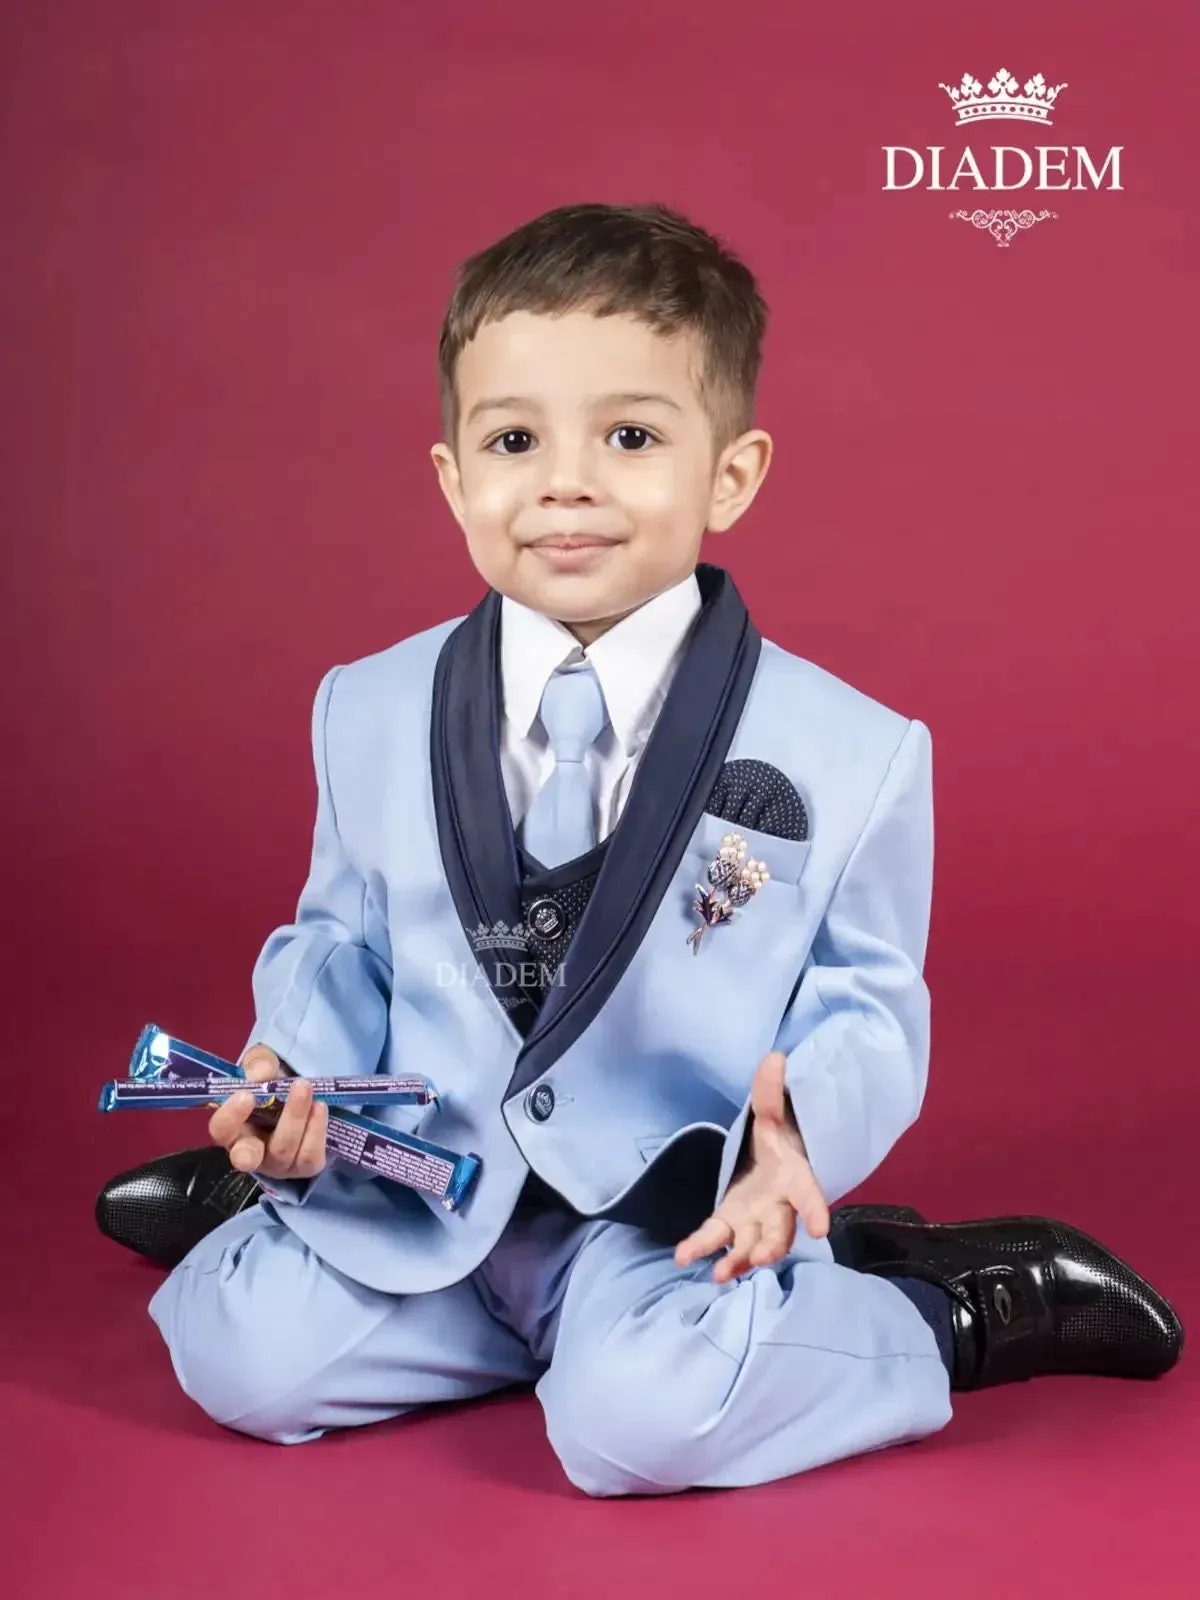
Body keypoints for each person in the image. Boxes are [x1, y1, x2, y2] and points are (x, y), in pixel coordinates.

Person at [119, 202, 1180, 1495]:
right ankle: (295, 1212)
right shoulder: (368, 704)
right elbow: (340, 935)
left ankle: (938, 1311)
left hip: (657, 1211)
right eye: (514, 440)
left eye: (629, 436)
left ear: (730, 474)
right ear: (455, 476)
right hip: (434, 1186)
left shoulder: (852, 748)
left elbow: (870, 1003)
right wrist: (303, 1065)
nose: (565, 481)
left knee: (633, 1427)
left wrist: (796, 1147)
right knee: (247, 1369)